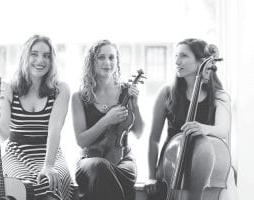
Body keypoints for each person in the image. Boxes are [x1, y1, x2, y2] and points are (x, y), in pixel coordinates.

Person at [0, 35, 73, 200]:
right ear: (25, 56)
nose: (40, 60)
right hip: (17, 153)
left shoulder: (61, 89)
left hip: (49, 153)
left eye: (46, 55)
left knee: (51, 181)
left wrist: (48, 165)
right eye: (34, 54)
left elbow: (55, 129)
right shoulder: (8, 87)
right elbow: (4, 134)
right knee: (23, 186)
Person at [146, 38, 234, 200]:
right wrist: (152, 175)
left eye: (184, 56)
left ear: (202, 61)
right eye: (176, 56)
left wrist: (204, 128)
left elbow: (222, 129)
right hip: (169, 165)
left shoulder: (220, 96)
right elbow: (154, 140)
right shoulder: (166, 93)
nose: (177, 61)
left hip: (204, 166)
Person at [71, 39, 144, 200]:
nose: (107, 62)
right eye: (101, 57)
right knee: (100, 166)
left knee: (103, 177)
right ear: (92, 62)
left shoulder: (126, 91)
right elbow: (82, 140)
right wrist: (106, 120)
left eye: (111, 57)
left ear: (117, 62)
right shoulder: (79, 97)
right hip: (90, 160)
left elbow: (138, 132)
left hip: (123, 161)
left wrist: (135, 105)